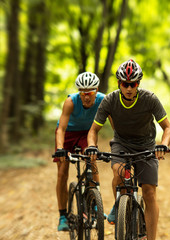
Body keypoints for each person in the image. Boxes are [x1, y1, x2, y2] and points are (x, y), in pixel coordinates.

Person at [85, 59, 170, 240]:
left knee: (149, 192)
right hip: (122, 143)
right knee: (118, 172)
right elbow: (93, 130)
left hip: (147, 145)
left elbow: (168, 128)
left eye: (132, 84)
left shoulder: (150, 99)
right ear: (119, 83)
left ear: (138, 84)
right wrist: (92, 146)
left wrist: (163, 145)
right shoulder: (110, 100)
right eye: (125, 84)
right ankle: (120, 206)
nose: (129, 88)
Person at [53, 72, 105, 231]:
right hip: (68, 134)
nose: (86, 97)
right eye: (83, 93)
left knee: (92, 159)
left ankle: (96, 206)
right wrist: (61, 149)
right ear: (79, 93)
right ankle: (63, 216)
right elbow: (60, 129)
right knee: (62, 172)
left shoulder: (104, 100)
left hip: (87, 133)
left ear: (96, 91)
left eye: (89, 93)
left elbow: (114, 124)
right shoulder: (70, 101)